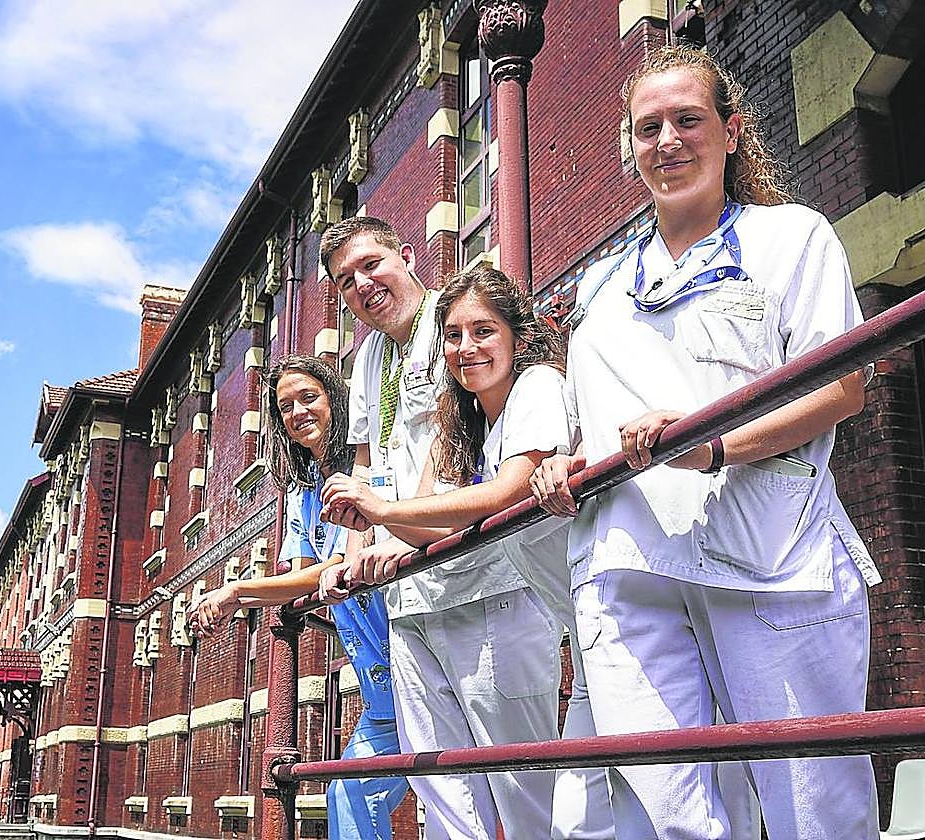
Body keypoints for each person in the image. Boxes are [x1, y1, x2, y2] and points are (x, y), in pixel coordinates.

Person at [530, 45, 880, 840]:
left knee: (813, 808)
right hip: (630, 564)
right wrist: (566, 462)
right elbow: (599, 420)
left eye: (688, 120)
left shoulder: (792, 237)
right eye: (647, 127)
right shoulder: (602, 288)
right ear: (630, 147)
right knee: (668, 813)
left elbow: (842, 387)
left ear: (731, 131)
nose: (667, 141)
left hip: (769, 556)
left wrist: (711, 448)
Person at [321, 264, 615, 840]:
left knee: (561, 799)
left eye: (482, 331)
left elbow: (505, 494)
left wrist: (383, 512)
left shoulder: (536, 388)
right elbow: (432, 517)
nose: (464, 347)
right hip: (576, 622)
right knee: (543, 802)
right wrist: (373, 539)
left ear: (517, 335)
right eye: (452, 336)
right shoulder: (463, 421)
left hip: (603, 609)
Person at [189, 355, 408, 840]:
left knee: (463, 792)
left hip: (419, 661)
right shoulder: (302, 493)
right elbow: (304, 575)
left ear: (335, 399)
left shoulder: (369, 465)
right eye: (285, 407)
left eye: (309, 398)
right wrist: (242, 593)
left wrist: (238, 592)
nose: (298, 413)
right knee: (348, 794)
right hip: (381, 689)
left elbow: (339, 566)